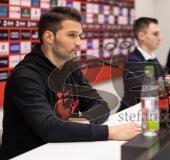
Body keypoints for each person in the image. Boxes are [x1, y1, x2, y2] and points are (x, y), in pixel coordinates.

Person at [0, 7, 141, 159]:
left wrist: (83, 120)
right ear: (49, 37)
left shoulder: (69, 66)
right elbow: (49, 129)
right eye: (72, 35)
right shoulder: (25, 76)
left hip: (64, 149)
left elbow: (101, 105)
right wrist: (110, 132)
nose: (79, 43)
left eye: (80, 35)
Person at [118, 17, 166, 112]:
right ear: (142, 36)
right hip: (132, 113)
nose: (160, 38)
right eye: (155, 34)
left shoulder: (152, 56)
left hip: (151, 110)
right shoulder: (133, 61)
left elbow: (163, 82)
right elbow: (145, 92)